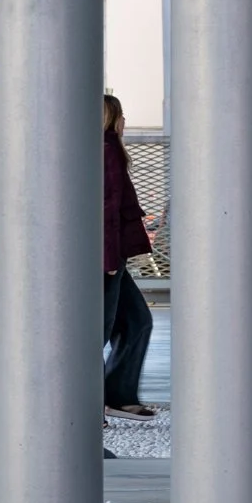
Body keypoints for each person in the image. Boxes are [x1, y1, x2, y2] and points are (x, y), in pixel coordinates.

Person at [102, 94, 156, 417]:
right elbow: (108, 209)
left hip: (113, 257)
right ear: (115, 117)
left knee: (137, 321)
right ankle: (86, 406)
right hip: (107, 258)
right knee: (98, 330)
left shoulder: (108, 149)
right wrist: (109, 261)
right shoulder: (109, 150)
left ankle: (117, 395)